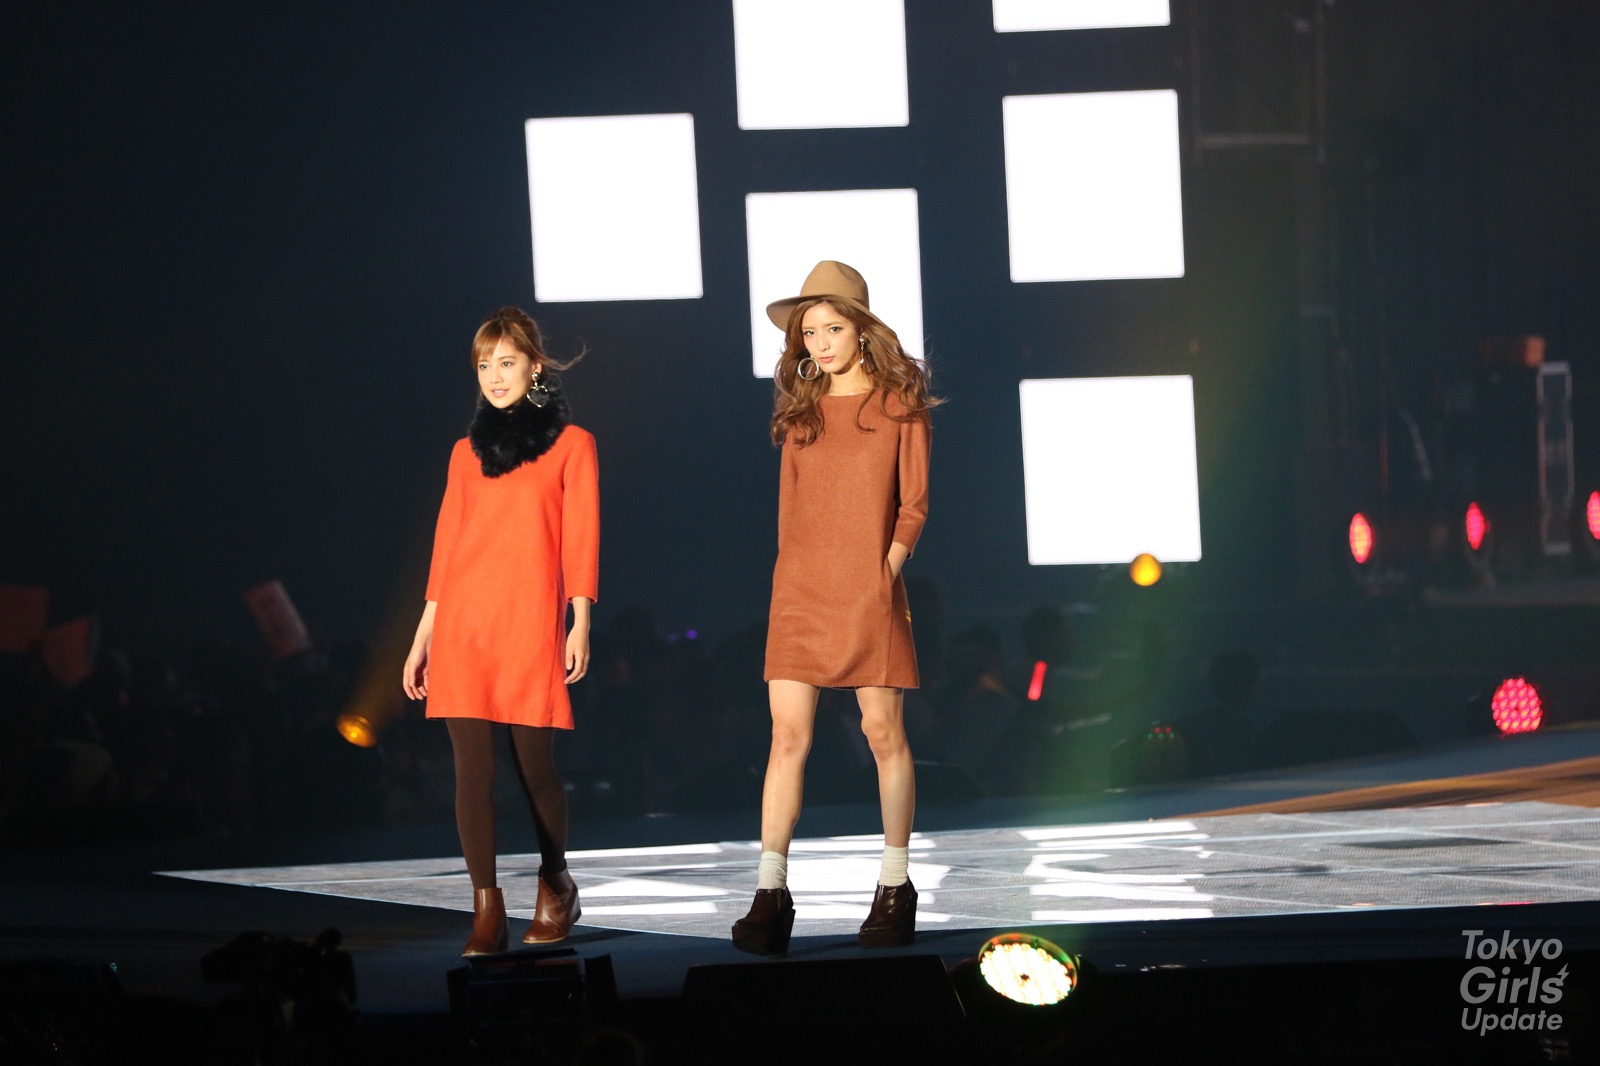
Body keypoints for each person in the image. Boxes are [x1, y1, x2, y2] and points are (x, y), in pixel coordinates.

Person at [732, 261, 938, 955]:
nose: (819, 344)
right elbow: (788, 518)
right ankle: (770, 892)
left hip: (869, 587)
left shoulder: (898, 405)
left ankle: (895, 885)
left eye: (832, 329)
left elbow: (913, 504)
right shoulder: (801, 414)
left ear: (861, 330)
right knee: (787, 737)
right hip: (800, 591)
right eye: (809, 332)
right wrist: (790, 584)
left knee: (882, 732)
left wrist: (884, 571)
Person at [402, 307, 599, 957]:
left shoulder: (572, 444)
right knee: (472, 771)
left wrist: (580, 618)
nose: (494, 375)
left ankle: (556, 882)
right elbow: (447, 545)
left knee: (535, 767)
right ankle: (486, 908)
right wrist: (423, 635)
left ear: (534, 366)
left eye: (506, 362)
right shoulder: (465, 454)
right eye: (484, 365)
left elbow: (580, 535)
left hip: (530, 621)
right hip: (465, 622)